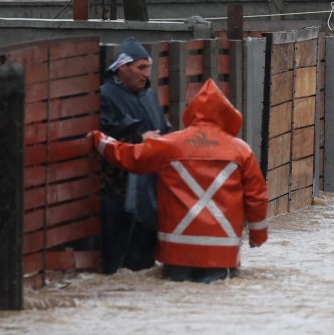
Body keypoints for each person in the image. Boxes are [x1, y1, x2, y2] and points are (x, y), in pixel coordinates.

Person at [91, 79, 269, 283]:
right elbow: (257, 197)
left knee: (178, 297)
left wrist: (99, 139)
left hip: (176, 250)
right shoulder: (241, 150)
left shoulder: (171, 144)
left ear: (192, 112)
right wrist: (258, 236)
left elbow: (130, 157)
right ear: (227, 115)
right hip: (222, 252)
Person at [99, 36, 173, 274]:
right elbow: (104, 136)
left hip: (151, 191)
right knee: (117, 257)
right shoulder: (105, 96)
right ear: (122, 68)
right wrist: (140, 140)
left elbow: (166, 130)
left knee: (144, 261)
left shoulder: (150, 96)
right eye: (141, 68)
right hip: (118, 192)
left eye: (148, 69)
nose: (145, 74)